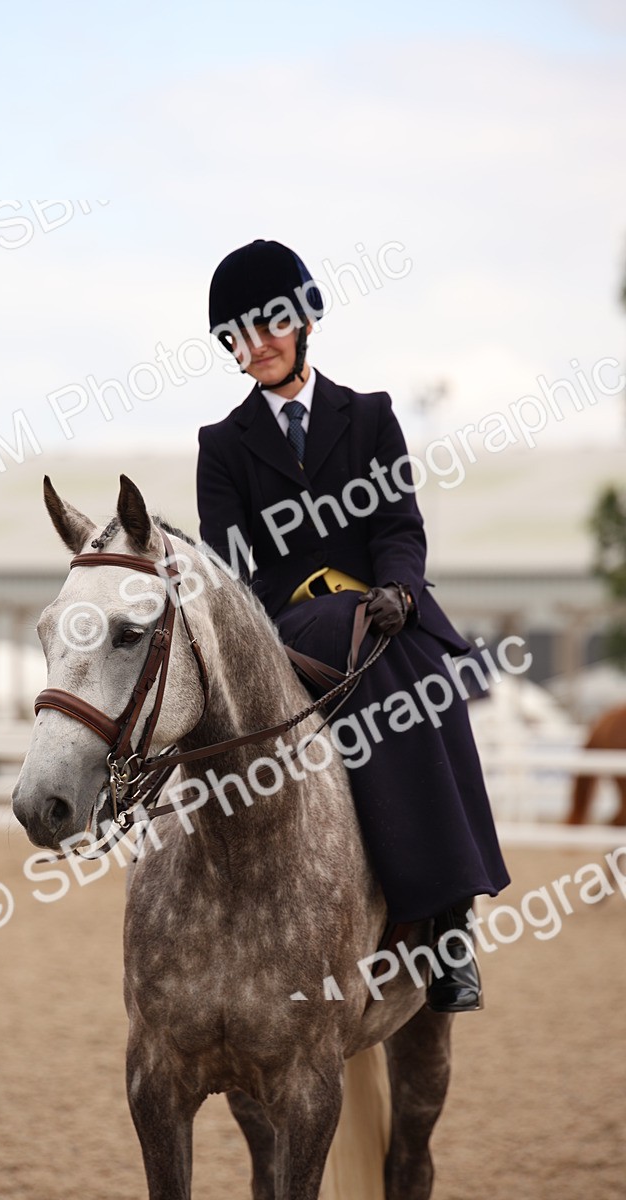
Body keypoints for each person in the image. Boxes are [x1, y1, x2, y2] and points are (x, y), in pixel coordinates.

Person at [196, 239, 510, 1012]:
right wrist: (280, 619)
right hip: (289, 629)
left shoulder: (371, 417)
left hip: (385, 610)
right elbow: (230, 568)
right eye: (237, 336)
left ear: (305, 322)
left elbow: (399, 524)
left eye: (268, 325)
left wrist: (400, 589)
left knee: (435, 686)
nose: (254, 346)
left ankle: (450, 925)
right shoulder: (222, 447)